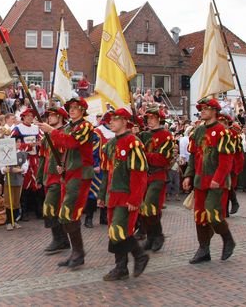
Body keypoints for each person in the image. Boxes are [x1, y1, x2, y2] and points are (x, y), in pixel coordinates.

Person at [37, 97, 94, 269]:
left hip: (81, 174)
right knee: (65, 213)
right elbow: (64, 149)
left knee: (69, 212)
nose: (72, 110)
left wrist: (51, 131)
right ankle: (76, 252)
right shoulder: (69, 127)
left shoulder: (85, 126)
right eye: (70, 108)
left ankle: (78, 253)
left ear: (83, 111)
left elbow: (72, 142)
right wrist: (62, 165)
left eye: (76, 108)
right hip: (69, 173)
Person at [96, 108, 149, 281]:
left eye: (115, 119)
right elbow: (107, 172)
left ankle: (140, 256)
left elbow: (139, 173)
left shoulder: (132, 142)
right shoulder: (110, 144)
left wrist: (135, 198)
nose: (110, 122)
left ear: (125, 121)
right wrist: (102, 195)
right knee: (115, 232)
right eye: (110, 120)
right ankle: (121, 267)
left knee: (119, 231)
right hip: (113, 195)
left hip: (126, 195)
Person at [182, 97, 236, 264]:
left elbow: (226, 160)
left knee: (213, 214)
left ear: (214, 111)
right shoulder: (197, 131)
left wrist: (218, 178)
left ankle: (228, 239)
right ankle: (203, 249)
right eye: (201, 108)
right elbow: (193, 157)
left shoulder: (222, 131)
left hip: (216, 181)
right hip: (200, 180)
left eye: (206, 108)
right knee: (199, 215)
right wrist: (189, 175)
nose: (202, 111)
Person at [138, 106, 174, 252]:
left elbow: (162, 159)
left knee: (150, 206)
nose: (150, 120)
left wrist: (144, 155)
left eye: (153, 118)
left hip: (158, 175)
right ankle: (151, 236)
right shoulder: (144, 135)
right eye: (148, 118)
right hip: (145, 176)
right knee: (144, 209)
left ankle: (158, 235)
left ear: (159, 119)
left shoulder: (166, 135)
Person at [36, 107, 70, 253]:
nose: (49, 118)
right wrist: (39, 177)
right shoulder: (46, 137)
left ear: (61, 117)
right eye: (48, 116)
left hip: (59, 179)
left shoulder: (64, 134)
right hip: (47, 178)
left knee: (49, 209)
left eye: (53, 116)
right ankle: (62, 240)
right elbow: (43, 159)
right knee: (53, 210)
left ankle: (59, 239)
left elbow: (68, 154)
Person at [11, 108, 41, 221]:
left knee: (36, 183)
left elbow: (41, 141)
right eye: (27, 116)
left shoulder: (36, 128)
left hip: (35, 159)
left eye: (31, 116)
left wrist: (39, 144)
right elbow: (13, 144)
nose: (29, 118)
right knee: (25, 185)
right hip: (23, 160)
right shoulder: (17, 129)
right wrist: (29, 145)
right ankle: (24, 211)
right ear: (23, 117)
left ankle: (38, 210)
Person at [218, 114, 243, 216]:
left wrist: (237, 165)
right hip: (220, 162)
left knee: (228, 185)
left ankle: (233, 202)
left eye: (222, 122)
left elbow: (238, 151)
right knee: (223, 186)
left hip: (231, 162)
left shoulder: (233, 134)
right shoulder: (219, 132)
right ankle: (226, 209)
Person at [2, 150, 27, 230]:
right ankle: (9, 222)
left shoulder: (22, 154)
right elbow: (2, 166)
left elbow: (25, 166)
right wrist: (4, 169)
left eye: (19, 142)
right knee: (9, 201)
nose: (18, 144)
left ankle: (15, 221)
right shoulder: (7, 151)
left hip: (18, 180)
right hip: (9, 180)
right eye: (16, 142)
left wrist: (18, 170)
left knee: (16, 201)